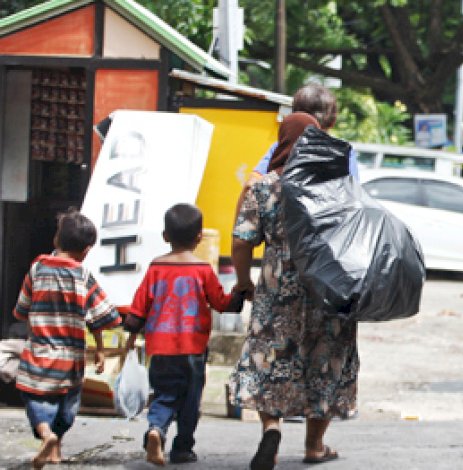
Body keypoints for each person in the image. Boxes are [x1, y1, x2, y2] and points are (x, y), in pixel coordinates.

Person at [230, 112, 359, 470]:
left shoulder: (263, 187)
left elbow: (241, 242)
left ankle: (272, 428)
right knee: (326, 360)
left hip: (277, 288)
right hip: (327, 287)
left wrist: (243, 282)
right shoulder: (335, 188)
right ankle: (314, 445)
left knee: (271, 357)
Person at [124, 204, 239, 465]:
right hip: (193, 349)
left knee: (164, 394)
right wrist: (240, 293)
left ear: (165, 236)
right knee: (190, 400)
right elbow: (222, 303)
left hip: (160, 348)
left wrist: (130, 337)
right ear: (199, 237)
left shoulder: (155, 268)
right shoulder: (203, 270)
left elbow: (139, 308)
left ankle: (156, 429)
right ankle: (182, 448)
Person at [12, 209, 120, 469]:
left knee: (35, 399)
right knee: (66, 406)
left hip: (38, 356)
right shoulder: (83, 276)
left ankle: (46, 435)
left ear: (55, 240)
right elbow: (103, 316)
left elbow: (22, 309)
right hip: (70, 362)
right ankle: (55, 446)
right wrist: (100, 350)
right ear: (86, 250)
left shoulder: (37, 269)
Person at [241, 83, 359, 191]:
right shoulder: (343, 151)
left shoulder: (279, 147)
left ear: (294, 116)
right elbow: (353, 193)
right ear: (333, 121)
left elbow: (251, 183)